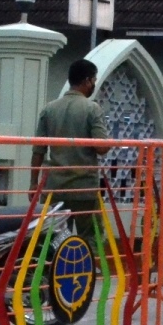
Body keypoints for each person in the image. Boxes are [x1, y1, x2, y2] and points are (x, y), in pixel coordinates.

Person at [32, 59, 108, 233]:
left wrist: (33, 183)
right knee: (90, 239)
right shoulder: (92, 108)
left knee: (54, 240)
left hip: (54, 188)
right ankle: (87, 262)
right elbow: (102, 148)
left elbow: (38, 150)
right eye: (94, 81)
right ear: (87, 80)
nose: (93, 86)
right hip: (84, 188)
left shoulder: (49, 109)